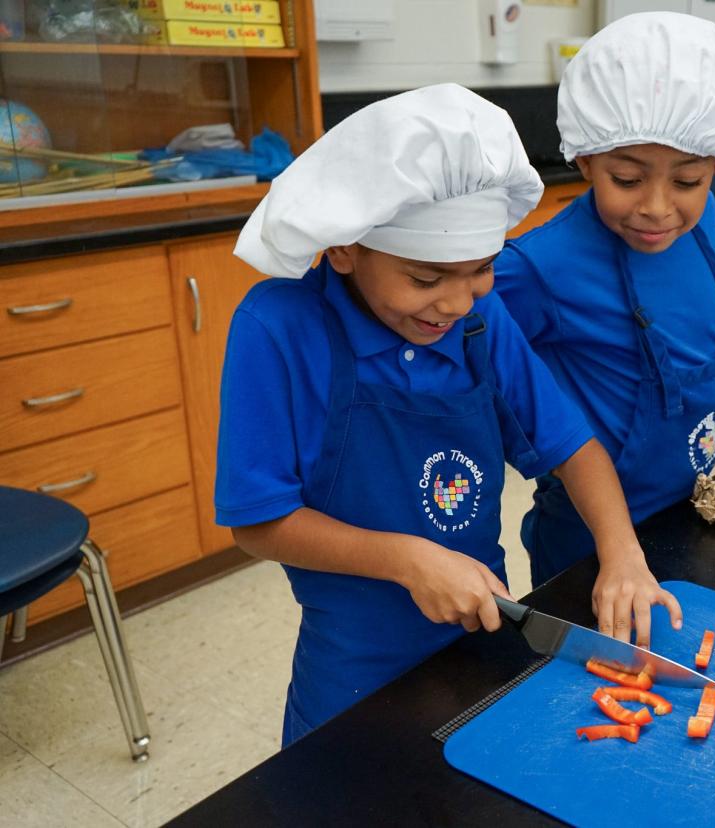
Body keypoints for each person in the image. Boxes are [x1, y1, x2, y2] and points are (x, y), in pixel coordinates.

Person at [218, 84, 682, 747]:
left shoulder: (479, 320)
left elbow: (571, 444)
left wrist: (622, 554)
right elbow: (260, 524)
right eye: (427, 279)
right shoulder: (279, 327)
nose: (457, 302)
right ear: (346, 248)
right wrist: (408, 560)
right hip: (355, 667)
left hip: (480, 641)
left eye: (482, 270)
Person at [494, 13, 715, 587]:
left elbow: (683, 353)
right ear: (584, 161)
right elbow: (468, 354)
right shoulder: (538, 266)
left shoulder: (699, 229)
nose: (658, 208)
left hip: (687, 510)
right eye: (626, 179)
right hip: (590, 541)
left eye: (687, 181)